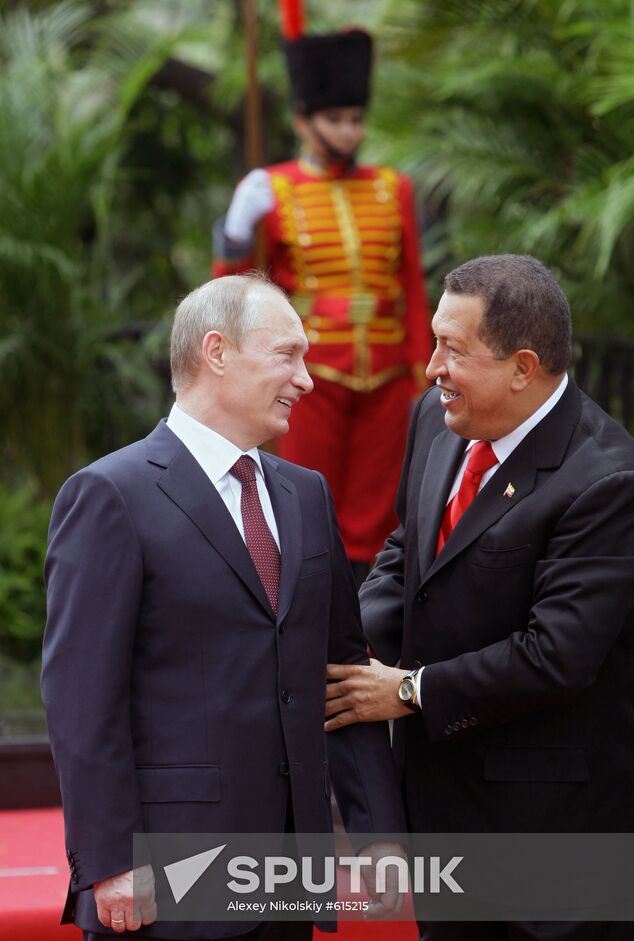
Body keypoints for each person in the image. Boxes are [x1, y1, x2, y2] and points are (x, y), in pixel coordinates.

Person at [41, 273, 406, 941]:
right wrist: (110, 860)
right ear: (216, 352)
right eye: (288, 356)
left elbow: (340, 670)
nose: (306, 379)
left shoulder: (306, 494)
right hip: (162, 881)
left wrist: (378, 831)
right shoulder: (111, 494)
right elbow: (83, 702)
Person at [325, 254, 634, 941]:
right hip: (446, 817)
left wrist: (408, 690)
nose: (429, 368)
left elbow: (555, 656)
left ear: (522, 367)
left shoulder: (610, 482)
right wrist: (341, 643)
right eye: (434, 341)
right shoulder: (439, 423)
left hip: (560, 837)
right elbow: (411, 550)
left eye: (452, 349)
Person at [212, 26, 430, 583]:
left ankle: (366, 620)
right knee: (304, 498)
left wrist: (421, 371)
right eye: (335, 120)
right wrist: (235, 237)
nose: (349, 132)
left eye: (356, 119)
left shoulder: (393, 188)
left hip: (384, 375)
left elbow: (410, 284)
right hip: (308, 373)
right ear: (303, 121)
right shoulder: (274, 189)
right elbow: (238, 294)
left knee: (378, 512)